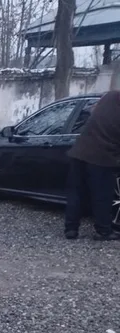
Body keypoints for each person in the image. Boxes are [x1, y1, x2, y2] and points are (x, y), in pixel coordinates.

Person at [64, 89, 120, 241]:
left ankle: (71, 229)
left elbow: (91, 111)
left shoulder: (109, 96)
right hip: (102, 157)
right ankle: (103, 231)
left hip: (79, 152)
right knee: (102, 196)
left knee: (76, 193)